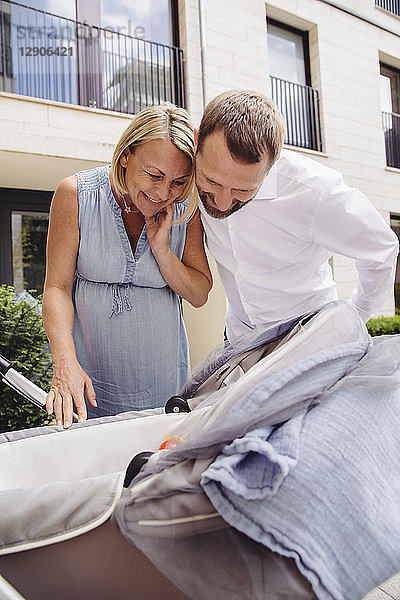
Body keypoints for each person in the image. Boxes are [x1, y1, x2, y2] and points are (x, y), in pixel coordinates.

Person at [43, 103, 212, 428]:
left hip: (163, 390)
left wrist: (162, 251)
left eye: (178, 181)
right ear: (125, 155)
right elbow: (57, 288)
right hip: (90, 389)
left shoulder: (185, 209)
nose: (163, 193)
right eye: (154, 175)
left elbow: (200, 292)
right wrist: (64, 363)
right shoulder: (75, 195)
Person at [195, 90, 399, 341]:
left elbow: (381, 248)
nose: (223, 203)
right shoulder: (185, 173)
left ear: (271, 166)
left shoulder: (315, 191)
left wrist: (354, 317)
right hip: (239, 337)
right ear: (197, 145)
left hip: (309, 338)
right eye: (211, 181)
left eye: (243, 189)